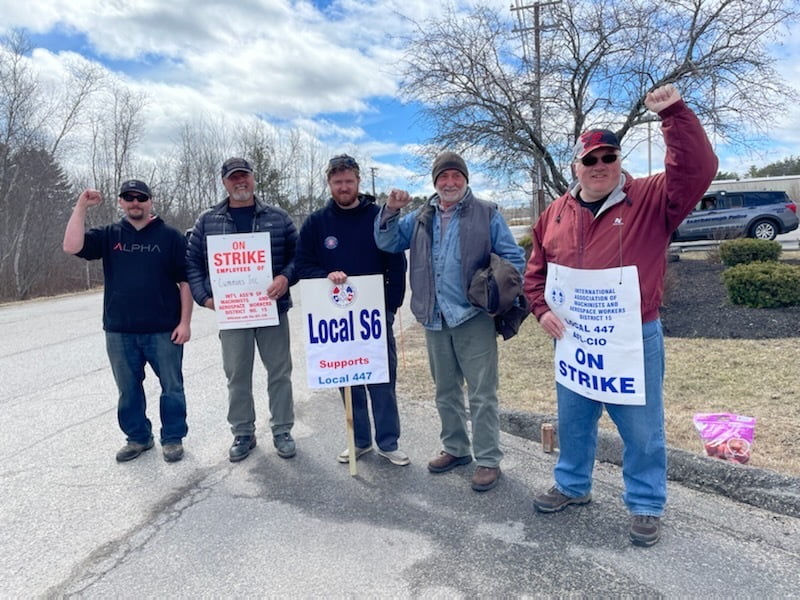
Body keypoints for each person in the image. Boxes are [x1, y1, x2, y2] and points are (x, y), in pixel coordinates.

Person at [523, 84, 718, 546]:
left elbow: (698, 168)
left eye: (608, 157)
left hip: (634, 337)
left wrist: (673, 114)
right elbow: (537, 272)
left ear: (619, 161)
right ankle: (572, 485)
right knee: (573, 420)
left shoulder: (651, 198)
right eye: (589, 160)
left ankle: (646, 503)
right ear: (576, 166)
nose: (599, 167)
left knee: (642, 428)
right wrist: (541, 310)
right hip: (573, 340)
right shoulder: (555, 212)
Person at [375, 151, 525, 492]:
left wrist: (497, 292)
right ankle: (457, 448)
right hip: (434, 316)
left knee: (482, 393)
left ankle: (488, 459)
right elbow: (386, 240)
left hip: (473, 316)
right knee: (445, 390)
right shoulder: (420, 217)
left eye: (456, 176)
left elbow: (513, 258)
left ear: (466, 179)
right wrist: (392, 210)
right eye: (444, 177)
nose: (450, 182)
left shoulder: (487, 212)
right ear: (435, 182)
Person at [63, 180, 192, 463]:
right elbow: (72, 246)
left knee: (172, 386)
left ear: (151, 202)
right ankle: (138, 438)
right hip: (120, 330)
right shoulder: (110, 235)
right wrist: (81, 205)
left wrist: (185, 323)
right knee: (128, 389)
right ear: (121, 202)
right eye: (129, 197)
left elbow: (185, 282)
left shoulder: (170, 236)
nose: (135, 202)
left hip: (164, 329)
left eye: (141, 197)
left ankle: (172, 438)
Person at [296, 154, 408, 466]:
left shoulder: (377, 216)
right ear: (329, 184)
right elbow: (303, 264)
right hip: (336, 320)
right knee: (349, 381)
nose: (343, 187)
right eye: (337, 182)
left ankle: (388, 442)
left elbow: (396, 261)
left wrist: (390, 306)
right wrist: (324, 277)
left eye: (348, 181)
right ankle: (359, 442)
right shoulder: (317, 223)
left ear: (358, 182)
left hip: (373, 316)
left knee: (382, 380)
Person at [186, 157, 298, 462]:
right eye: (233, 178)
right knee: (237, 374)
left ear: (253, 178)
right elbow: (192, 263)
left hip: (272, 309)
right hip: (234, 312)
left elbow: (298, 256)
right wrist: (204, 297)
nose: (240, 182)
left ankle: (282, 429)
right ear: (224, 183)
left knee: (279, 371)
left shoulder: (278, 218)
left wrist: (285, 278)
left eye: (244, 176)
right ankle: (243, 432)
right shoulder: (207, 220)